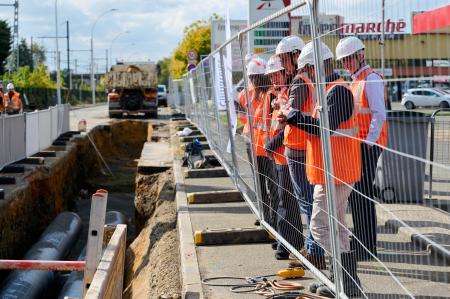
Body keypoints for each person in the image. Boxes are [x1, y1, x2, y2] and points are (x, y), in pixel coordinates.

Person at [279, 41, 363, 298]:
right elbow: (319, 127)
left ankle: (344, 282)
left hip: (336, 172)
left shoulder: (337, 92)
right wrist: (293, 116)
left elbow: (321, 128)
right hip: (332, 171)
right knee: (335, 227)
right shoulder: (330, 91)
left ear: (315, 68)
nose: (306, 75)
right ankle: (341, 282)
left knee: (319, 227)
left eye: (307, 69)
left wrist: (293, 115)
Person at [336, 36, 387, 261]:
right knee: (357, 196)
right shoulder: (355, 81)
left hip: (367, 146)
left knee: (363, 196)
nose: (346, 63)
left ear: (360, 55)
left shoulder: (371, 79)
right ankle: (362, 241)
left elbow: (379, 114)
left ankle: (368, 247)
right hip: (357, 147)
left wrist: (368, 143)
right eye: (343, 60)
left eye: (349, 58)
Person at [276, 35, 325, 269]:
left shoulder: (300, 81)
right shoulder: (305, 81)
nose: (283, 65)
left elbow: (290, 112)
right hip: (301, 147)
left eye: (284, 60)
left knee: (307, 203)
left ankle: (314, 251)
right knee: (309, 202)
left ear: (296, 56)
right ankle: (313, 249)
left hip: (298, 148)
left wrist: (282, 110)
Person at [264, 55, 304, 260]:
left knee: (287, 203)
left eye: (275, 74)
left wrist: (272, 144)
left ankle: (288, 243)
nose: (273, 79)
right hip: (280, 155)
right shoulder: (281, 93)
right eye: (270, 76)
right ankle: (288, 241)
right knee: (284, 201)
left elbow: (287, 124)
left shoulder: (289, 94)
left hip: (286, 154)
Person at [247, 57, 280, 229]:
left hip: (269, 151)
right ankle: (266, 216)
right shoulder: (259, 95)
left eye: (253, 78)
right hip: (259, 149)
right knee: (262, 187)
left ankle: (273, 221)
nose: (251, 82)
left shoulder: (271, 94)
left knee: (273, 189)